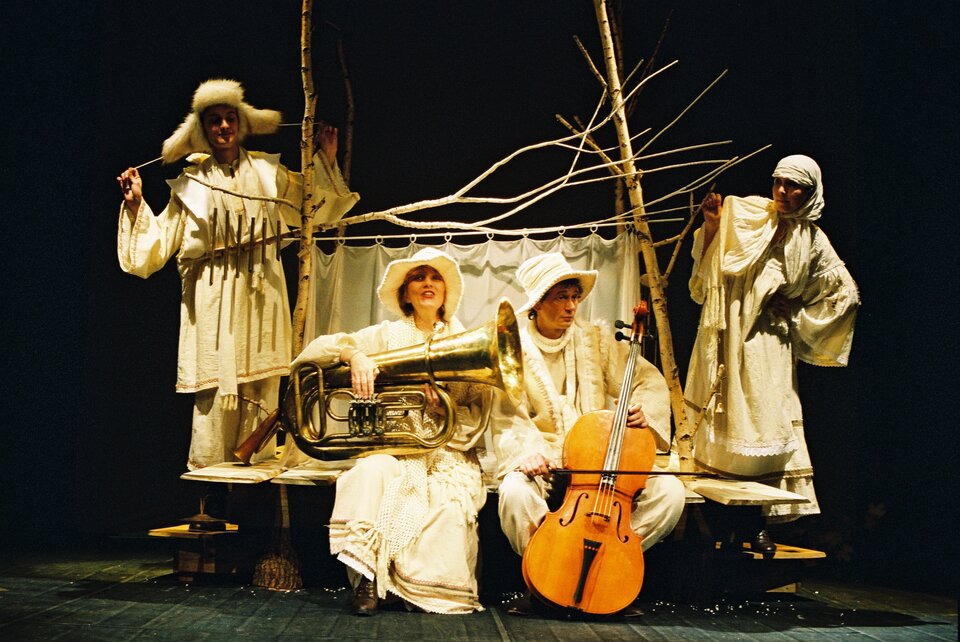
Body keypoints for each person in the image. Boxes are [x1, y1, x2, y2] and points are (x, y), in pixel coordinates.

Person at [115, 78, 359, 471]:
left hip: (262, 293)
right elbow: (156, 246)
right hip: (212, 299)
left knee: (262, 387)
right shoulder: (191, 184)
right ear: (203, 128)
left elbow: (313, 206)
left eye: (230, 117)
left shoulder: (267, 171)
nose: (224, 126)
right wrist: (136, 204)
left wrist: (324, 161)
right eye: (215, 120)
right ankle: (211, 486)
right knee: (214, 392)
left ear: (241, 123)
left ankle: (254, 482)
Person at [291, 248, 489, 615]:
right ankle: (367, 578)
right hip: (394, 447)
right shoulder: (385, 334)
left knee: (446, 503)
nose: (428, 283)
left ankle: (413, 589)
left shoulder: (468, 339)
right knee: (368, 474)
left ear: (446, 292)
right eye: (418, 278)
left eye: (435, 278)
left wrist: (443, 408)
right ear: (405, 295)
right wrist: (354, 356)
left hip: (448, 452)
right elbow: (312, 353)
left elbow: (479, 411)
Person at [490, 253, 686, 615]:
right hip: (548, 462)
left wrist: (640, 412)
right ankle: (546, 579)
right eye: (560, 298)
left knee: (670, 493)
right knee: (515, 493)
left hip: (599, 462)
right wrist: (527, 453)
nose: (570, 307)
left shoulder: (596, 339)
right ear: (537, 304)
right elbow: (507, 416)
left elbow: (645, 380)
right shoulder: (512, 348)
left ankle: (609, 567)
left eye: (574, 297)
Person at [684, 154, 859, 552]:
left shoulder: (812, 240)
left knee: (763, 424)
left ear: (810, 193)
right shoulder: (748, 214)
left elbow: (844, 294)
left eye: (792, 185)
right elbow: (706, 274)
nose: (782, 191)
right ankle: (717, 523)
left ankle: (754, 521)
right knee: (722, 420)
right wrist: (712, 225)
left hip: (767, 341)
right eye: (778, 181)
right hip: (725, 331)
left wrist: (796, 313)